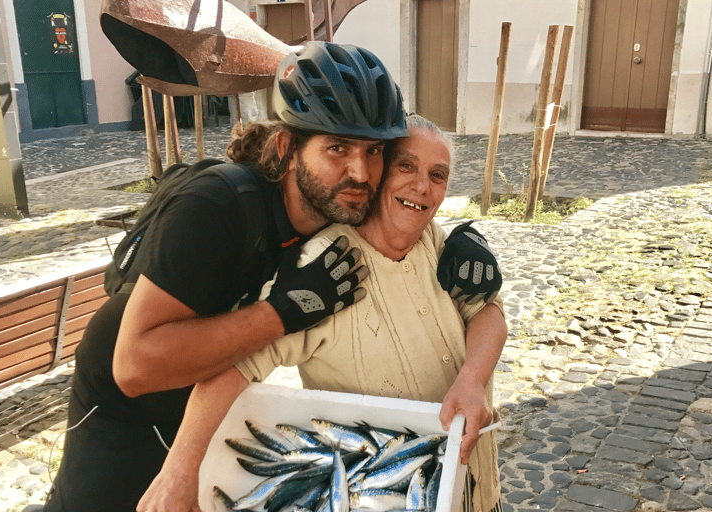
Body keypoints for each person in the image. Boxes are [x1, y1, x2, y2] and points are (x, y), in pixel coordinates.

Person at [40, 43, 501, 512]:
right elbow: (135, 368)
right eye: (337, 147)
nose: (360, 172)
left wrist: (461, 240)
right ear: (288, 149)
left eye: (374, 151)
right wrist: (283, 312)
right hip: (126, 407)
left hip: (208, 409)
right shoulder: (215, 207)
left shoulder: (335, 209)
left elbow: (406, 213)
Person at [137, 114, 508, 512]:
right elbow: (233, 368)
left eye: (438, 175)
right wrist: (179, 471)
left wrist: (471, 380)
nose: (422, 186)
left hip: (480, 492)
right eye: (406, 165)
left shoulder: (438, 243)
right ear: (379, 172)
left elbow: (488, 311)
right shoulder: (324, 266)